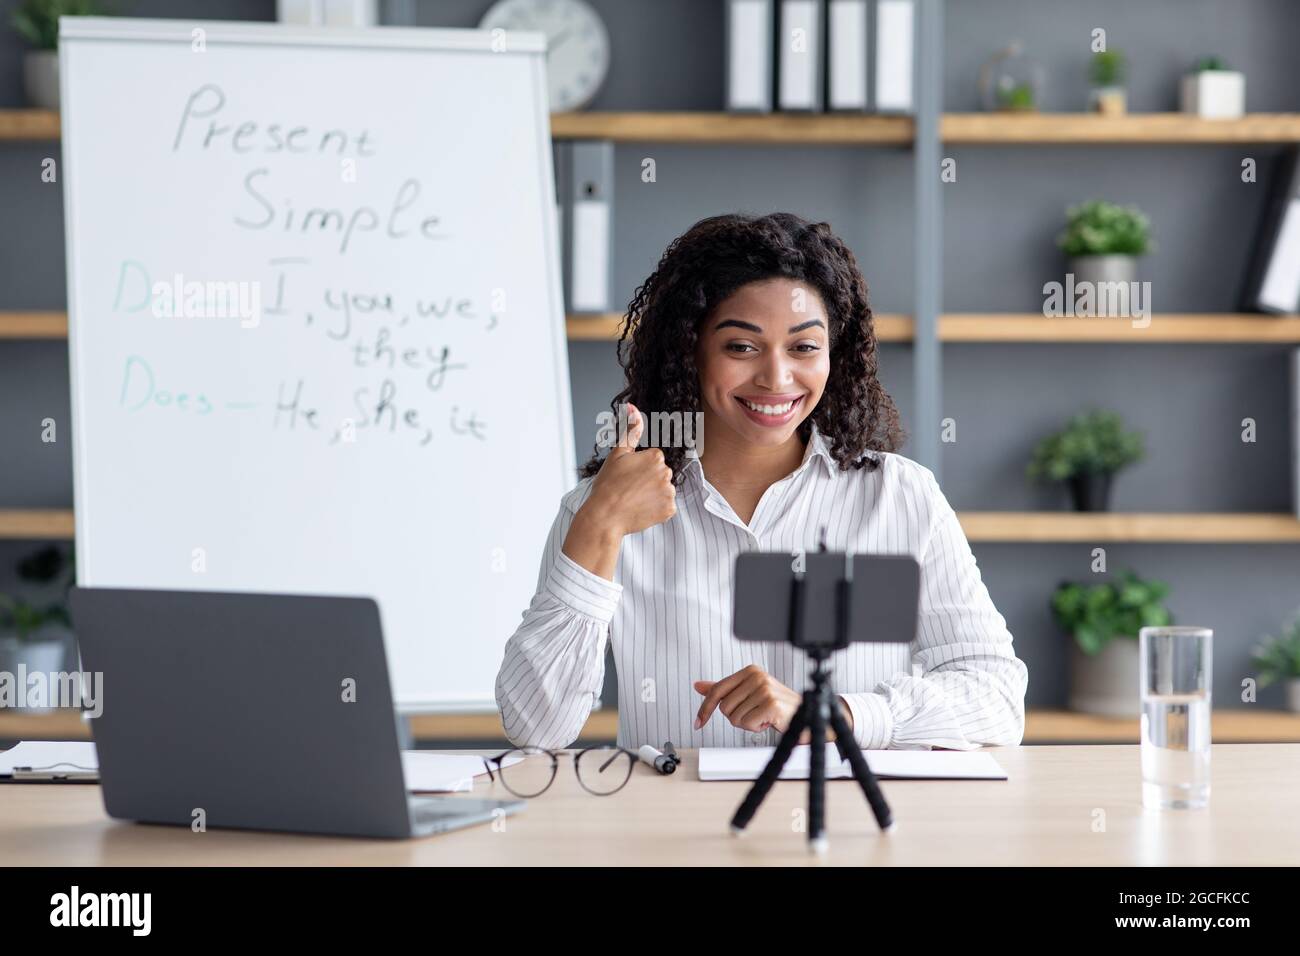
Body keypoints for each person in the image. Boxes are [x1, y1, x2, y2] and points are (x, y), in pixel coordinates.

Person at [495, 212, 1028, 751]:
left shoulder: (900, 497)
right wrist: (601, 526)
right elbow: (537, 730)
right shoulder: (602, 510)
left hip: (845, 827)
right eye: (741, 347)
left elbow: (996, 699)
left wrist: (834, 715)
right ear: (690, 351)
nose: (776, 378)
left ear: (833, 356)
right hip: (669, 829)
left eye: (803, 347)